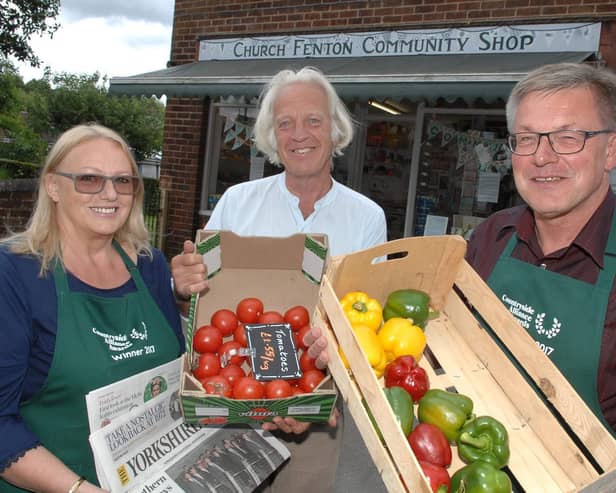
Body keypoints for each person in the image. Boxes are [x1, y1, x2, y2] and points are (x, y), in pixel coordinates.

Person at [171, 66, 387, 492]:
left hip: (314, 413)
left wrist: (318, 396)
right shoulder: (237, 203)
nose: (299, 134)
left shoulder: (366, 218)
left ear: (335, 130)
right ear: (272, 135)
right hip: (228, 405)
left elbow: (364, 329)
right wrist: (183, 286)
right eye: (285, 123)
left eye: (313, 120)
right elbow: (200, 311)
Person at [0, 124, 185, 493]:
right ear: (53, 186)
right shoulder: (15, 273)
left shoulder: (151, 266)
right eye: (88, 179)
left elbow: (176, 383)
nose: (110, 193)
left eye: (123, 180)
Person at [466, 62, 616, 432]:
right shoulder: (489, 238)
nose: (542, 157)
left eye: (568, 138)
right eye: (527, 138)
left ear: (611, 151)